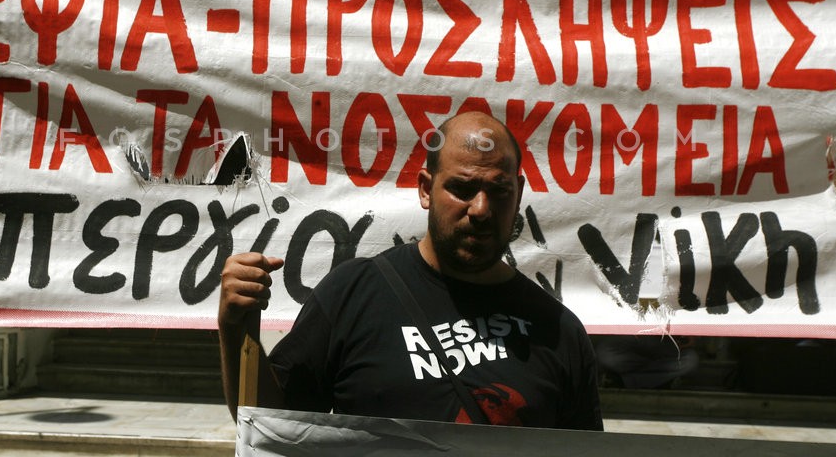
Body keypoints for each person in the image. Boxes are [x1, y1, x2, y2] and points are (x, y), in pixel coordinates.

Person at [218, 111, 602, 429]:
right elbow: (270, 428)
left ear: (518, 193)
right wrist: (235, 329)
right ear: (425, 188)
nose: (481, 209)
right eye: (463, 188)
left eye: (499, 190)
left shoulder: (559, 332)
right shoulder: (352, 295)